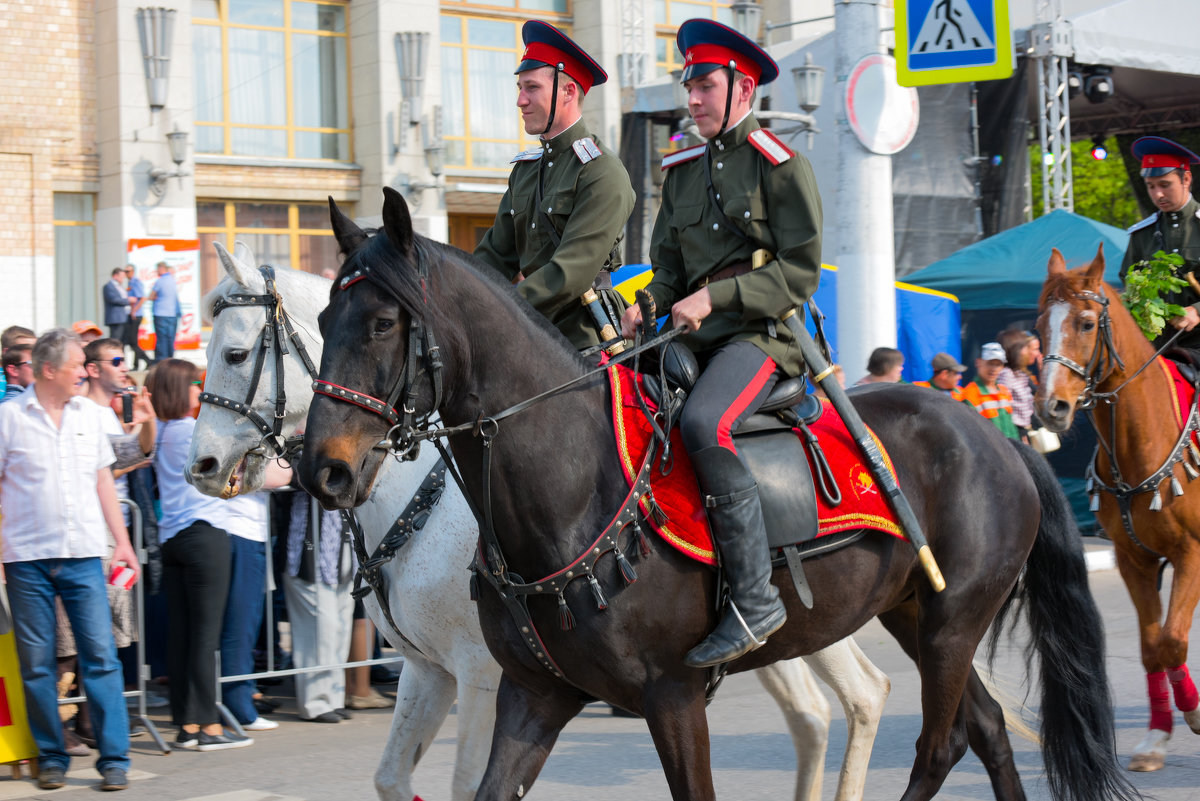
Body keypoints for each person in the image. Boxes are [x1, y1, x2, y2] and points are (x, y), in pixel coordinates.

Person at [619, 19, 822, 668]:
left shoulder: (780, 167)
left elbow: (799, 272)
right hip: (692, 336)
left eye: (706, 84)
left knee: (705, 421)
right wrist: (644, 305)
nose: (694, 98)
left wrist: (718, 298)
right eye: (690, 85)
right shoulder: (681, 172)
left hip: (762, 335)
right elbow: (670, 271)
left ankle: (757, 598)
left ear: (744, 86)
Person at [0, 328, 138, 791]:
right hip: (26, 558)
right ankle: (52, 755)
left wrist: (122, 542)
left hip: (83, 555)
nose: (84, 371)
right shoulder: (9, 418)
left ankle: (114, 758)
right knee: (37, 664)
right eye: (78, 365)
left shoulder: (90, 416)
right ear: (48, 370)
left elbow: (103, 480)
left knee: (100, 657)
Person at [473, 21, 635, 351]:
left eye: (531, 88)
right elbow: (493, 257)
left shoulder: (601, 171)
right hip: (530, 327)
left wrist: (498, 309)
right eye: (520, 88)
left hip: (587, 332)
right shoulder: (526, 171)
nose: (520, 100)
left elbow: (570, 274)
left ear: (568, 92)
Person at [146, 359, 251, 752]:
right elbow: (226, 476)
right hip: (205, 535)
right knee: (205, 637)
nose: (199, 389)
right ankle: (206, 726)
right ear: (179, 389)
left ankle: (187, 722)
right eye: (194, 382)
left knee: (183, 635)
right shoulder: (190, 431)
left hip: (173, 537)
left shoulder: (158, 431)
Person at [216, 465, 293, 733]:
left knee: (245, 625)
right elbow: (282, 475)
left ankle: (241, 697)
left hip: (248, 531)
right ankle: (238, 707)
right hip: (240, 531)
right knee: (240, 626)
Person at [281, 488, 356, 723]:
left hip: (341, 557)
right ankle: (315, 702)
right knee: (319, 632)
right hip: (308, 554)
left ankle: (333, 698)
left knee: (338, 631)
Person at [1121, 136, 1200, 356]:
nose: (1158, 194)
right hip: (1157, 348)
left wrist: (1196, 310)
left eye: (1165, 185)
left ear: (1186, 179)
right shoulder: (1141, 235)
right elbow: (1129, 288)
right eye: (1151, 186)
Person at [960, 342, 1020, 440]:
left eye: (998, 364)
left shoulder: (1003, 391)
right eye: (990, 363)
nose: (994, 369)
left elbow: (1011, 427)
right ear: (978, 362)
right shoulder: (969, 395)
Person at [997, 329, 1038, 441]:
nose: (1027, 352)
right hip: (1015, 432)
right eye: (1025, 347)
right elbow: (1005, 407)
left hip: (1024, 429)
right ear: (1015, 350)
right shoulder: (1006, 375)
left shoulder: (1019, 374)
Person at [148, 261, 181, 362]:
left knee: (162, 340)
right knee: (170, 339)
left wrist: (155, 297)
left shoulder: (160, 281)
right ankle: (170, 361)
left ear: (162, 268)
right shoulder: (172, 280)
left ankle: (161, 362)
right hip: (172, 315)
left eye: (157, 269)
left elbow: (151, 296)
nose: (157, 271)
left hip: (160, 314)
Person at [123, 265, 151, 371]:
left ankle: (148, 360)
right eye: (125, 271)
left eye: (128, 271)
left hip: (136, 315)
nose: (126, 273)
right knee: (133, 341)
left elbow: (142, 298)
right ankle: (137, 364)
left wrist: (134, 311)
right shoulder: (130, 283)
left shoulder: (135, 282)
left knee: (133, 342)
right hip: (134, 314)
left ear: (133, 271)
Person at [102, 268, 132, 345]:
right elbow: (113, 299)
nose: (123, 279)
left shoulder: (120, 286)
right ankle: (113, 357)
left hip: (123, 317)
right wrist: (128, 300)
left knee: (122, 341)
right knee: (115, 341)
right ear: (115, 276)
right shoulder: (109, 286)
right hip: (116, 318)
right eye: (121, 277)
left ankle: (120, 356)